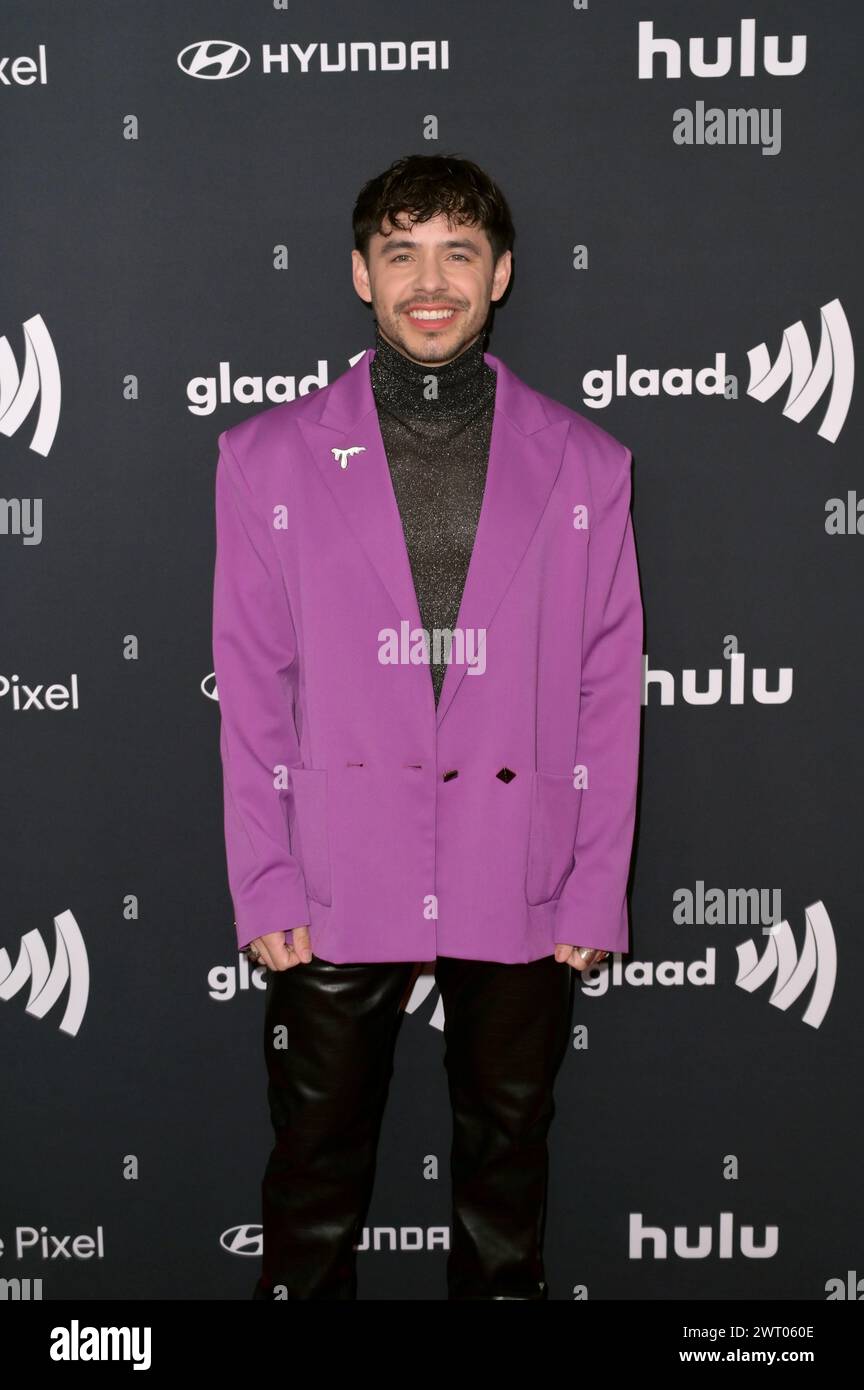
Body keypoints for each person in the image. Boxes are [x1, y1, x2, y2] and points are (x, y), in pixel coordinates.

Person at [211, 153, 644, 1300]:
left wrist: (595, 886)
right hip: (338, 867)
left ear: (501, 272)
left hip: (522, 869)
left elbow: (608, 688)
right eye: (401, 252)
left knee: (507, 1190)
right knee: (311, 1188)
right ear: (361, 274)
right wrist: (265, 880)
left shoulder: (590, 463)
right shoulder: (263, 460)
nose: (429, 281)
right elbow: (253, 688)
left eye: (457, 250)